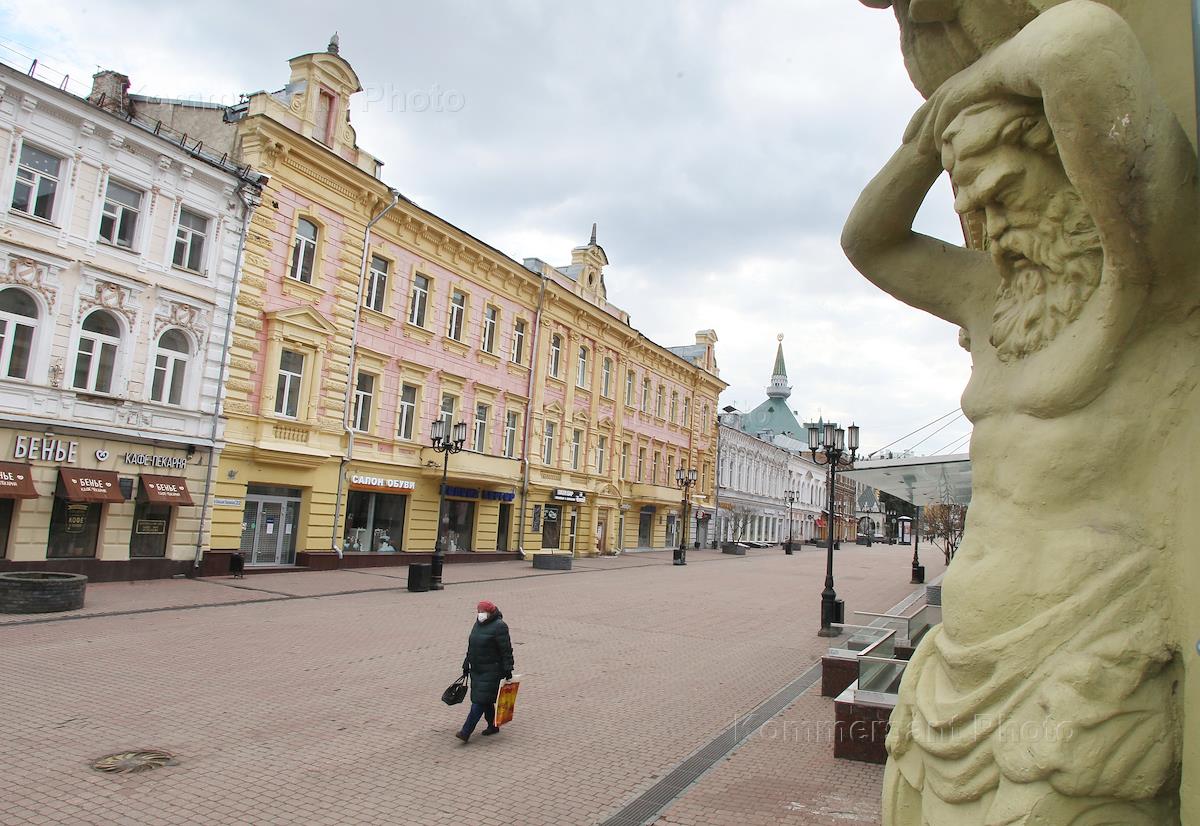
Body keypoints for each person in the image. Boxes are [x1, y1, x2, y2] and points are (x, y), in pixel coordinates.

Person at [456, 599, 514, 743]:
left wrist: (508, 669)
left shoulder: (500, 626)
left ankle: (466, 731)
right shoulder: (478, 624)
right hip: (477, 669)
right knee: (485, 700)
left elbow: (506, 650)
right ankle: (493, 726)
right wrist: (466, 663)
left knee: (479, 701)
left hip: (492, 670)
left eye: (483, 611)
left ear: (490, 612)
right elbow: (472, 646)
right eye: (479, 611)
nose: (480, 614)